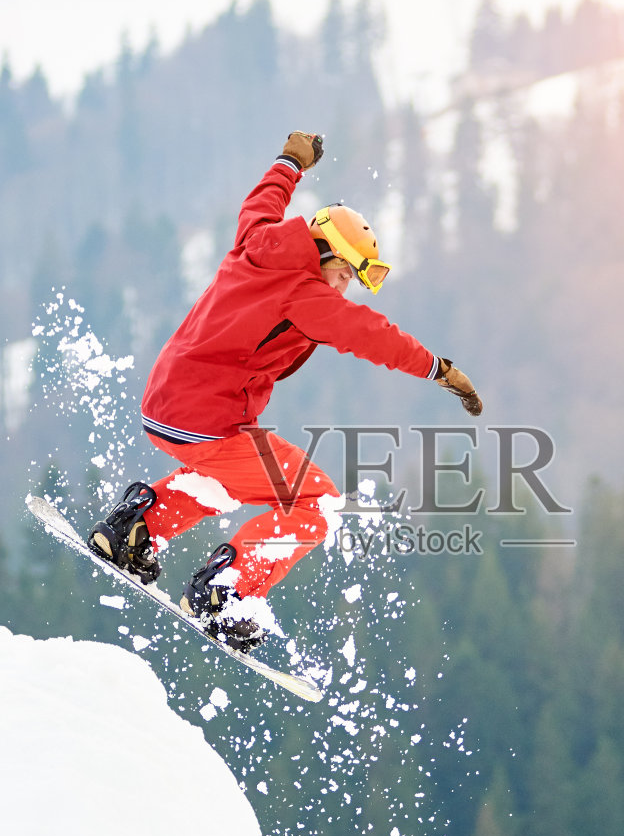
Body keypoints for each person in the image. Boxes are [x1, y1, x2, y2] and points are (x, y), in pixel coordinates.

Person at [88, 130, 482, 651]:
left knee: (239, 481)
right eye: (342, 273)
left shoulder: (257, 239)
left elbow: (262, 200)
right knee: (316, 502)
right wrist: (440, 370)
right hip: (207, 418)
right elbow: (372, 336)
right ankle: (224, 591)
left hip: (168, 402)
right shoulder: (305, 294)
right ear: (323, 253)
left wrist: (290, 161)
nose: (341, 288)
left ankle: (136, 527)